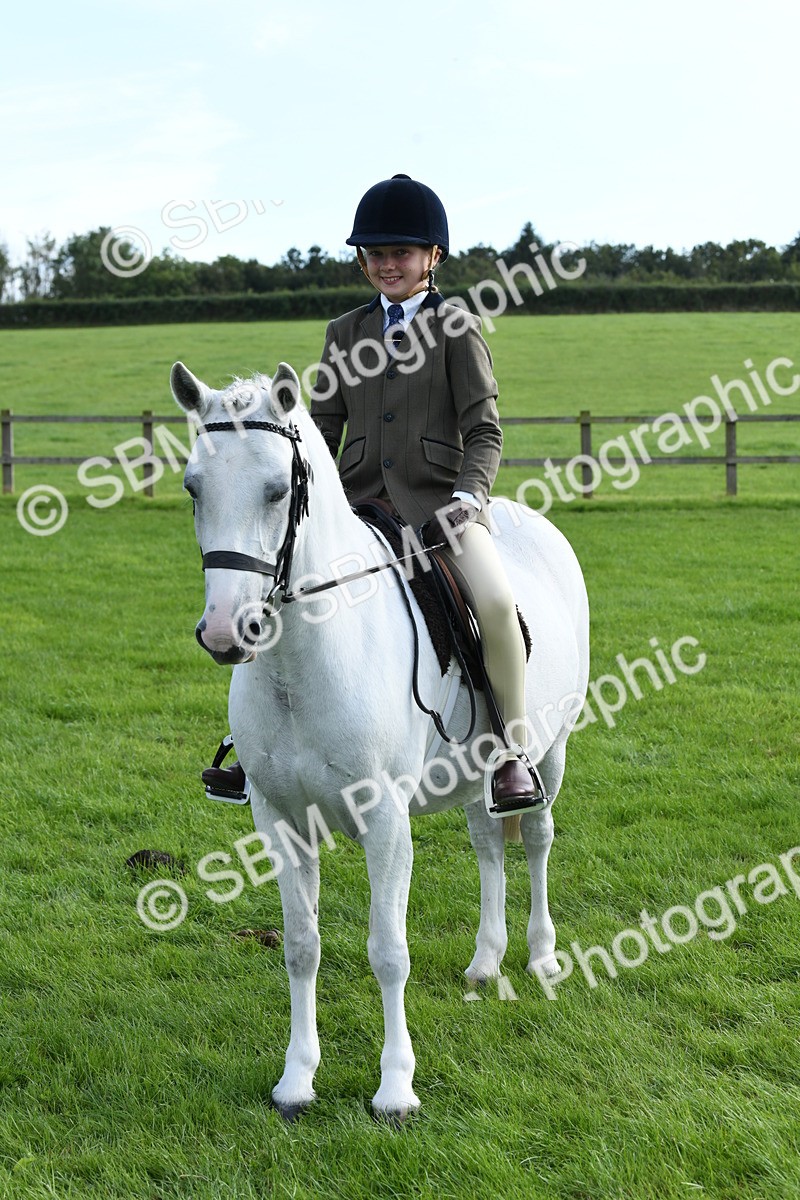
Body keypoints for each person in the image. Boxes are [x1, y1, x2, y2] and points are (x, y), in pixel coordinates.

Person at [203, 173, 542, 812]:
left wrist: (471, 497)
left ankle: (510, 755)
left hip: (443, 506)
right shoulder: (344, 332)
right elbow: (321, 429)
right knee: (277, 596)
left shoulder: (457, 326)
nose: (388, 264)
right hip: (361, 507)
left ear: (432, 258)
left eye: (402, 253)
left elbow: (484, 431)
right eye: (377, 254)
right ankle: (252, 750)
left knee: (496, 606)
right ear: (363, 261)